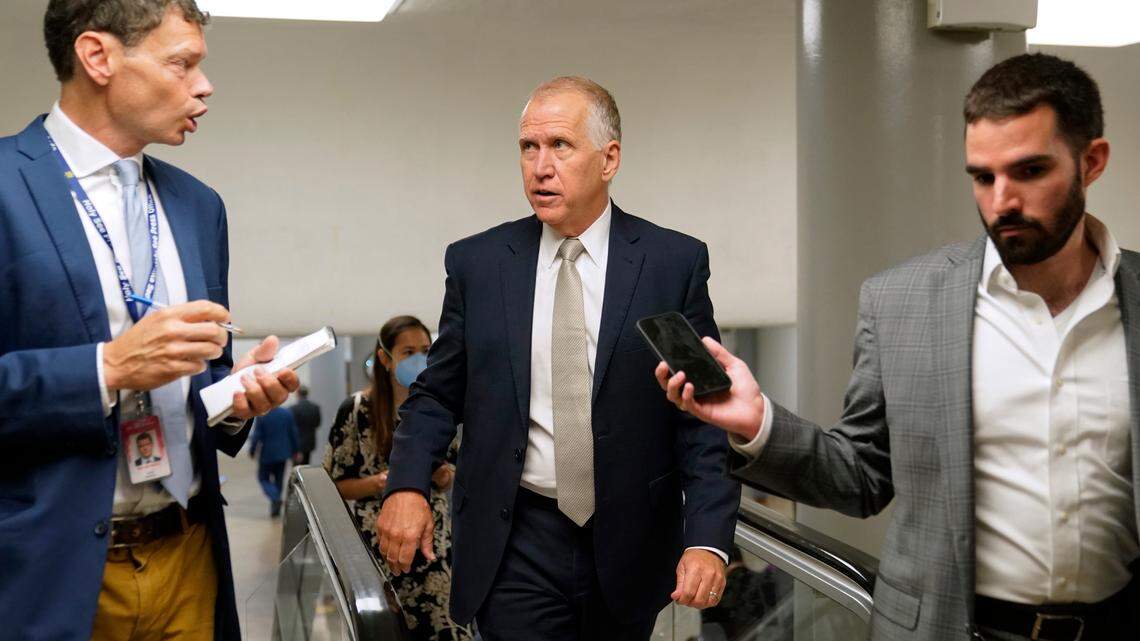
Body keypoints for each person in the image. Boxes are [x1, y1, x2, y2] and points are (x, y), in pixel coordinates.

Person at [657, 53, 1139, 641]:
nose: (1002, 201)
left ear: (1092, 162)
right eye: (983, 177)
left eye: (1030, 171)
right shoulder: (903, 301)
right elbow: (861, 477)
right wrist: (760, 424)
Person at [377, 77, 740, 641]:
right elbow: (439, 392)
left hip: (630, 543)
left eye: (560, 146)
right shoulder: (480, 264)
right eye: (528, 147)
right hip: (516, 538)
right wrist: (406, 484)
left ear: (608, 158)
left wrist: (708, 539)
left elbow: (704, 414)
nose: (539, 166)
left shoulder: (672, 265)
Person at [0, 2, 300, 639]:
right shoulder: (4, 187)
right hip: (49, 571)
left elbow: (202, 374)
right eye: (181, 63)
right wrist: (106, 368)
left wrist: (235, 397)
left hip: (190, 553)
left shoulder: (198, 207)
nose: (203, 85)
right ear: (98, 57)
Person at [324, 315, 473, 641]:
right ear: (385, 358)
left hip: (434, 550)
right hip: (377, 551)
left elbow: (456, 470)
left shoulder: (440, 410)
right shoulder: (356, 410)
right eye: (408, 352)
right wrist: (381, 483)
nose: (419, 358)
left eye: (425, 349)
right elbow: (335, 483)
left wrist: (443, 476)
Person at [250, 406, 300, 517]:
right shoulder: (287, 413)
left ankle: (275, 498)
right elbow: (293, 433)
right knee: (279, 480)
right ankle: (275, 508)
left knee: (262, 478)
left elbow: (257, 434)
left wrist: (252, 450)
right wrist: (296, 450)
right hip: (283, 453)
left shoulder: (262, 415)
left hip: (267, 453)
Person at [290, 385, 322, 465]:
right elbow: (317, 424)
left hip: (296, 442)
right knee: (306, 465)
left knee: (296, 467)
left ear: (298, 394)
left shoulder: (293, 408)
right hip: (309, 441)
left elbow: (291, 427)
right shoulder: (315, 407)